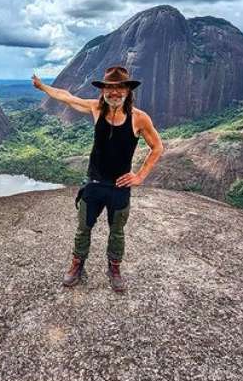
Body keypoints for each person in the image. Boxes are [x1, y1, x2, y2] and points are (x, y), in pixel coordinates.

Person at [32, 66, 164, 292]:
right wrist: (43, 87)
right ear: (103, 90)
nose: (114, 92)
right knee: (83, 227)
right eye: (109, 88)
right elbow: (67, 97)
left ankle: (114, 268)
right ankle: (77, 265)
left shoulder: (139, 118)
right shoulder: (96, 108)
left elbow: (157, 147)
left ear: (127, 90)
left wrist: (140, 176)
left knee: (117, 231)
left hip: (119, 187)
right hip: (94, 183)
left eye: (120, 87)